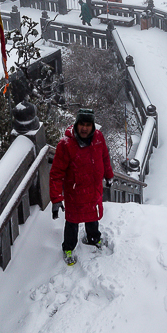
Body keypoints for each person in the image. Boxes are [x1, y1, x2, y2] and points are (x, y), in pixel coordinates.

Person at [49, 108, 114, 266]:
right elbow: (56, 173)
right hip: (75, 193)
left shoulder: (98, 138)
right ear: (76, 125)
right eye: (82, 124)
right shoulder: (65, 144)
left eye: (88, 125)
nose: (84, 128)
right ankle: (68, 248)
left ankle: (92, 238)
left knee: (93, 216)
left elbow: (105, 156)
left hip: (94, 189)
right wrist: (56, 198)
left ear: (92, 126)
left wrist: (109, 174)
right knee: (72, 222)